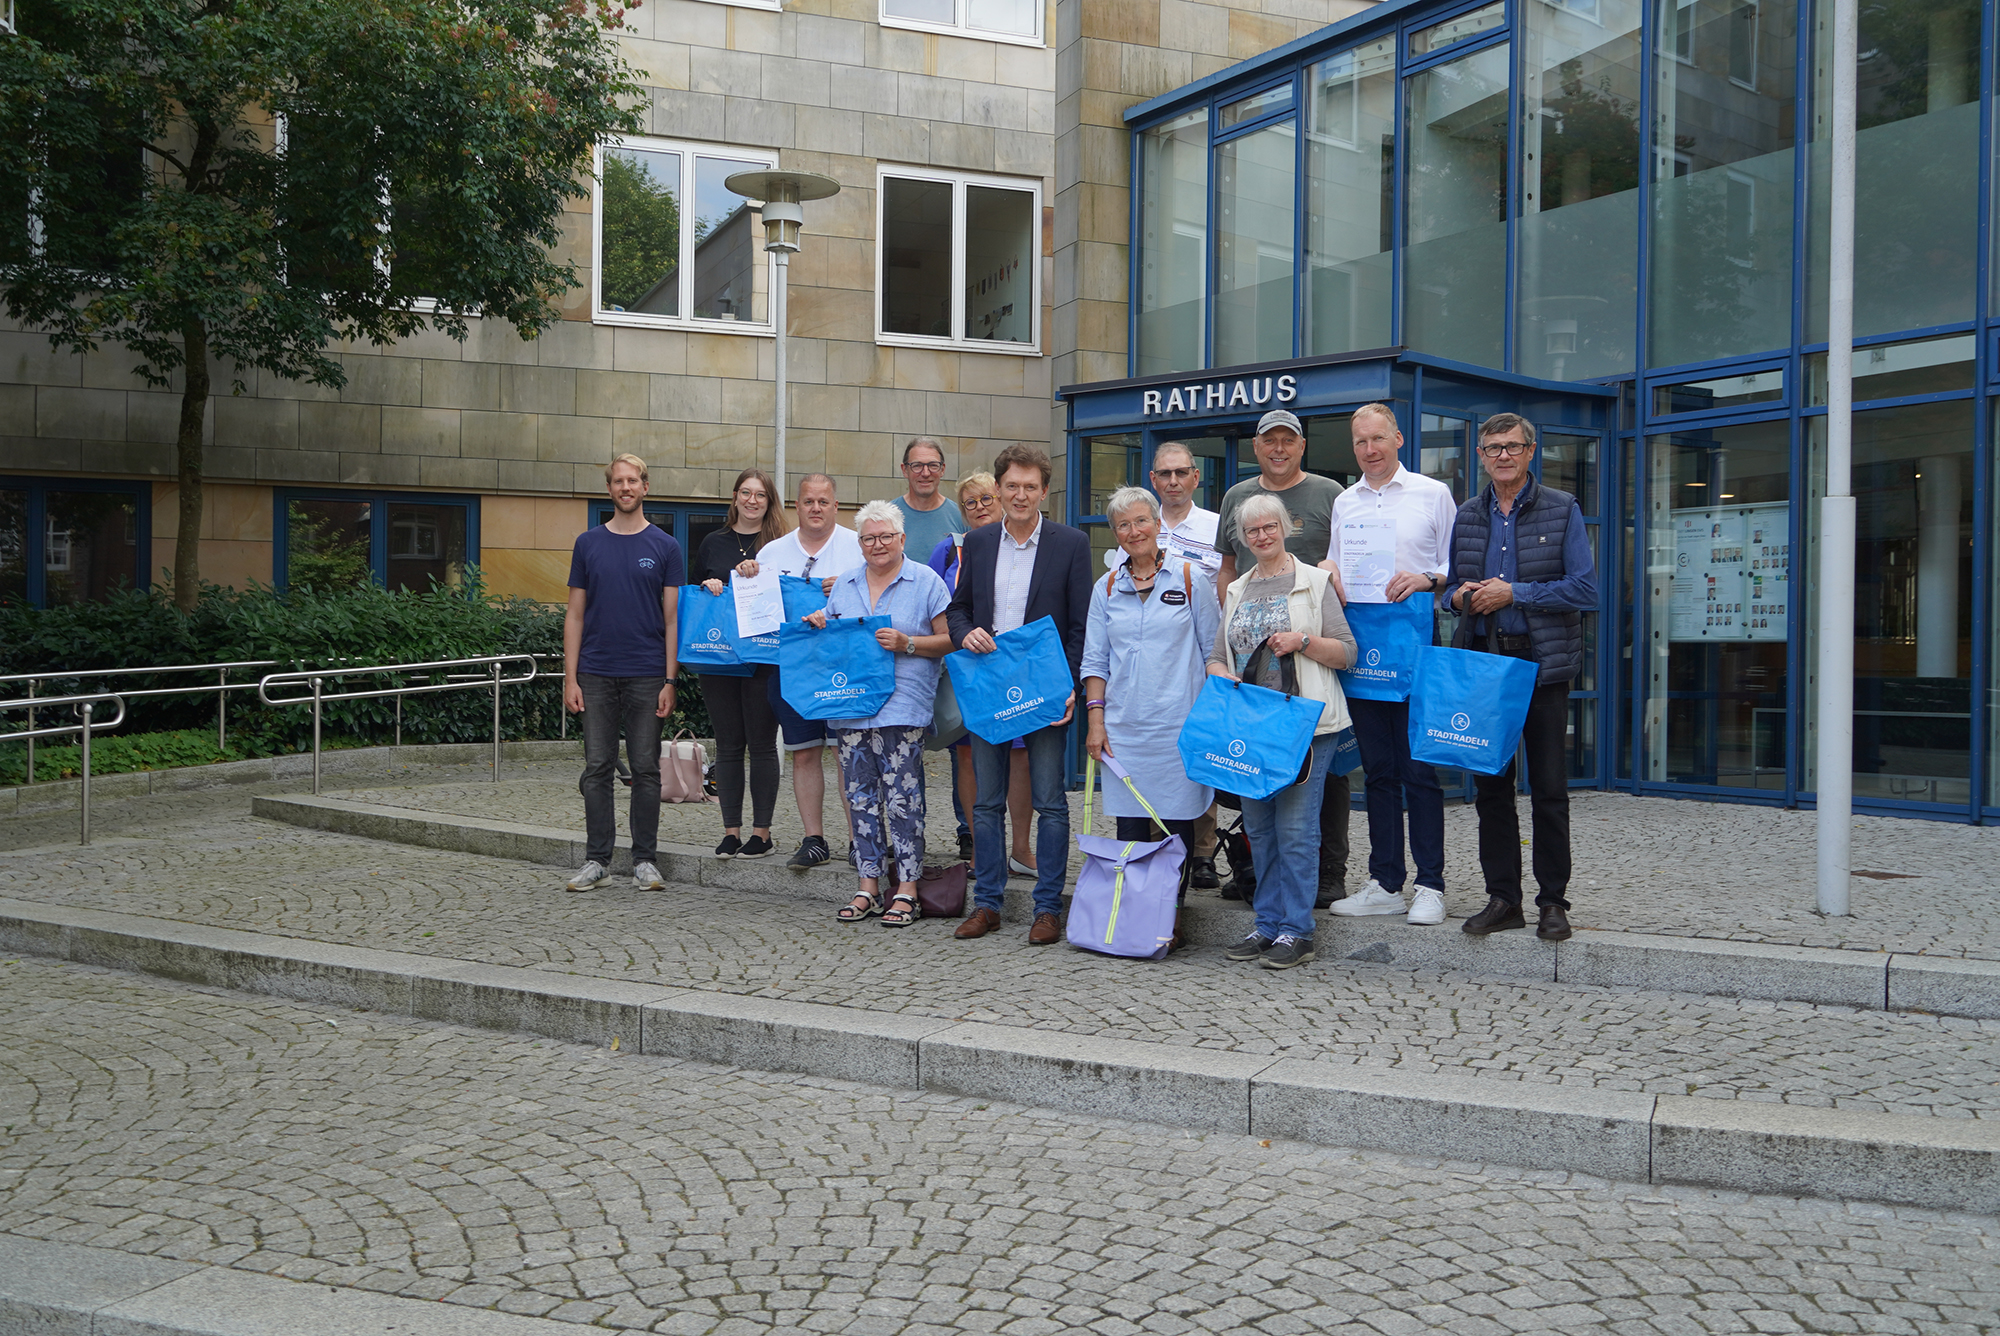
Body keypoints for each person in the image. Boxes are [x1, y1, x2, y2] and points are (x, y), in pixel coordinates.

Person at [1445, 412, 1597, 943]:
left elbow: (1585, 589)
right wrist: (1461, 597)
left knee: (1550, 790)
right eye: (1492, 448)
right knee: (1492, 789)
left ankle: (1553, 901)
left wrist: (1516, 593)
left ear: (1531, 451)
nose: (1502, 456)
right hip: (1487, 667)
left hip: (1541, 667)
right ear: (1481, 456)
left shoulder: (1562, 509)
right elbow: (1449, 590)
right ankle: (1503, 898)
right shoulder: (1467, 515)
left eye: (1512, 446)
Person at [1317, 403, 1460, 927]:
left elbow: (1456, 566)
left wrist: (1427, 578)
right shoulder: (1345, 501)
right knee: (1376, 772)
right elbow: (1335, 560)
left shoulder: (1432, 494)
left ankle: (1430, 885)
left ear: (1398, 438)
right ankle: (1384, 881)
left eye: (1378, 439)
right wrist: (1329, 569)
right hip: (1363, 647)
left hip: (1415, 642)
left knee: (1419, 770)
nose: (1369, 450)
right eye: (1360, 443)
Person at [945, 442, 1093, 945]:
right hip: (990, 691)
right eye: (1012, 486)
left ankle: (1047, 908)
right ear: (999, 489)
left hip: (1046, 692)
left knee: (1050, 802)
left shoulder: (1069, 544)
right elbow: (958, 609)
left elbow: (1081, 628)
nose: (1021, 494)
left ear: (1044, 491)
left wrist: (1068, 687)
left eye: (1031, 487)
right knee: (986, 803)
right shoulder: (980, 542)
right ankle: (987, 903)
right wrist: (965, 633)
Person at [1206, 491, 1356, 969]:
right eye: (1252, 531)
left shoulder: (1315, 582)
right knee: (1261, 829)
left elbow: (1347, 652)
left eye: (1269, 527)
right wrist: (1215, 670)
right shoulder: (1236, 590)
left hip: (1306, 726)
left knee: (1294, 829)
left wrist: (1304, 641)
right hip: (1252, 726)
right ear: (1244, 539)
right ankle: (1266, 925)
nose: (1262, 536)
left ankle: (1297, 930)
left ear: (1285, 528)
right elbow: (1216, 654)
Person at [1214, 408, 1352, 905]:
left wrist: (1308, 635)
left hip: (1310, 669)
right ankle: (1261, 892)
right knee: (1263, 810)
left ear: (1301, 446)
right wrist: (1227, 639)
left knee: (1317, 791)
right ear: (1256, 447)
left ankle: (1326, 878)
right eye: (1268, 440)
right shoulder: (1237, 498)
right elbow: (1226, 571)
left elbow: (1344, 563)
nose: (1278, 448)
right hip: (1254, 694)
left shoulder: (1329, 495)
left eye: (1287, 441)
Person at [1080, 486, 1220, 950]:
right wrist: (1096, 722)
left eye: (1142, 521)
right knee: (1130, 829)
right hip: (1124, 729)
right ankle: (1134, 915)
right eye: (1123, 525)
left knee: (1175, 827)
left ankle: (1169, 918)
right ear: (1115, 534)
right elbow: (1095, 661)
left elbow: (1211, 651)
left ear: (1158, 525)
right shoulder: (1106, 587)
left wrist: (1211, 720)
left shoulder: (1190, 578)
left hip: (1178, 724)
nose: (1134, 531)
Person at [805, 501, 954, 928]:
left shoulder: (925, 581)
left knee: (903, 801)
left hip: (903, 706)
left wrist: (908, 643)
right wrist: (819, 622)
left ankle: (907, 888)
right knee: (859, 798)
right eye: (869, 538)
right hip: (851, 706)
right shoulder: (845, 584)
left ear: (902, 539)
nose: (877, 544)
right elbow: (832, 645)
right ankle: (868, 884)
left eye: (886, 536)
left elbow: (948, 640)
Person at [561, 453, 683, 893]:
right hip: (594, 673)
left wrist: (671, 680)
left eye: (633, 481)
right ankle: (597, 860)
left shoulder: (666, 547)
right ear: (609, 488)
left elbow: (672, 620)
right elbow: (574, 615)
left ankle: (644, 861)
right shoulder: (588, 543)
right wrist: (569, 677)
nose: (625, 487)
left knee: (647, 769)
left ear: (645, 487)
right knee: (597, 768)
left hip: (648, 675)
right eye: (618, 481)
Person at [1114, 441, 1226, 889]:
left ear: (1196, 477)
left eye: (1182, 473)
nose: (1174, 481)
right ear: (1154, 479)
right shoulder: (1123, 554)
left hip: (1192, 666)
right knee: (1145, 795)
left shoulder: (1215, 527)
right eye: (1165, 473)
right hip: (1139, 695)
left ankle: (1201, 855)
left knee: (1190, 779)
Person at [752, 473, 865, 870]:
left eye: (823, 501)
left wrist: (849, 591)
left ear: (836, 505)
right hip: (792, 667)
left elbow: (882, 599)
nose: (816, 508)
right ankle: (813, 839)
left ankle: (859, 840)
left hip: (844, 666)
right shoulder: (771, 553)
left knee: (846, 753)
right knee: (803, 754)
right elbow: (757, 613)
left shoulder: (859, 546)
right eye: (808, 501)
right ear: (795, 506)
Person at [927, 472, 1036, 874]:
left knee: (1020, 757)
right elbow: (938, 605)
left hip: (1017, 667)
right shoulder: (950, 550)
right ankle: (982, 849)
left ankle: (1022, 850)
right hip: (970, 669)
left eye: (987, 498)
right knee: (970, 758)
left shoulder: (1024, 544)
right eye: (970, 502)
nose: (979, 507)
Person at [692, 467, 789, 860]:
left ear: (769, 502)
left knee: (763, 744)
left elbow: (789, 591)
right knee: (729, 744)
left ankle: (761, 834)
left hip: (765, 656)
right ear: (734, 497)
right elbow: (695, 594)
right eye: (745, 493)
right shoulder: (713, 543)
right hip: (719, 657)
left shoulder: (780, 544)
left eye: (760, 494)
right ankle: (730, 830)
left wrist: (761, 573)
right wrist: (707, 586)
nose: (752, 500)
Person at [891, 437, 966, 565]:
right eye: (917, 466)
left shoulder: (962, 516)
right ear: (905, 470)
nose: (925, 473)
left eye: (933, 465)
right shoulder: (887, 516)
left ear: (942, 469)